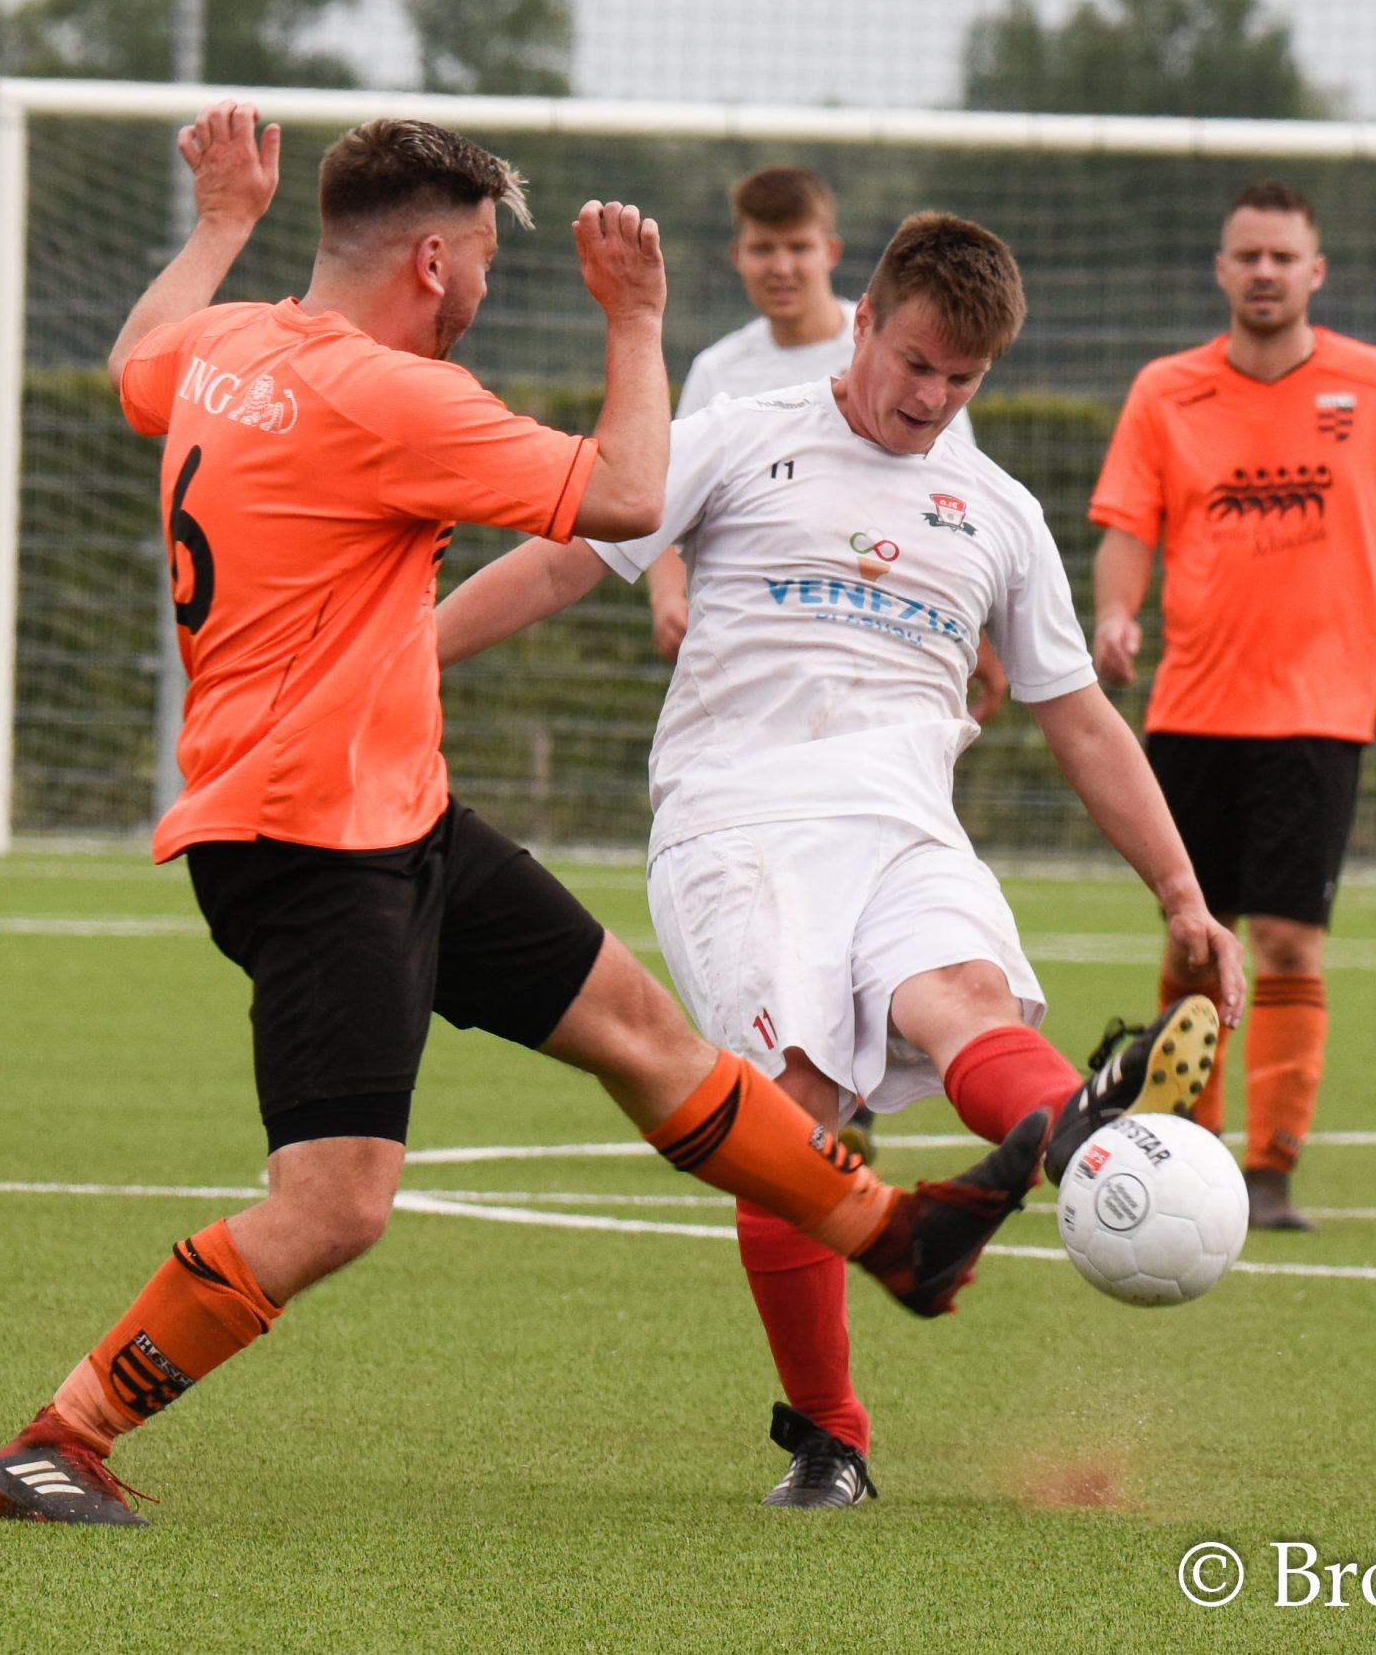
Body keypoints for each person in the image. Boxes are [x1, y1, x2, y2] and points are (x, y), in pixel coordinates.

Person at [0, 106, 1052, 1526]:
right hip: (312, 841)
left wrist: (223, 223)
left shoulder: (230, 350)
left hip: (392, 813)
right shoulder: (389, 398)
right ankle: (62, 1433)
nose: (484, 284)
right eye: (483, 257)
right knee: (337, 1203)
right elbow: (626, 495)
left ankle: (895, 1238)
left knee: (643, 1035)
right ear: (433, 259)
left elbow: (135, 361)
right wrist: (636, 317)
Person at [439, 211, 1245, 1509]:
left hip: (905, 826)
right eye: (914, 363)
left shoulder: (996, 510)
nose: (930, 398)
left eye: (961, 381)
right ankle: (831, 1435)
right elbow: (555, 569)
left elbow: (1081, 717)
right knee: (793, 1110)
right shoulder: (734, 435)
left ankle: (1078, 1136)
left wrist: (1183, 893)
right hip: (737, 825)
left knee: (966, 999)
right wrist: (396, 662)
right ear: (862, 322)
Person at [1086, 179, 1376, 1233]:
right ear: (1220, 269)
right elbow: (1128, 525)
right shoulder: (1166, 390)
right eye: (1246, 255)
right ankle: (1186, 1149)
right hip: (1192, 709)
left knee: (1289, 941)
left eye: (1282, 257)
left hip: (1319, 714)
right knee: (1197, 940)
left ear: (1315, 272)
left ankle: (1271, 1168)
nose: (1263, 272)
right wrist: (1115, 615)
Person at [651, 164, 1003, 1164]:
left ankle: (864, 1069)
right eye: (762, 249)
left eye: (797, 247)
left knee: (882, 861)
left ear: (832, 258)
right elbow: (657, 496)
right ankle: (823, 1089)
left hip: (880, 676)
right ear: (737, 256)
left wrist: (980, 635)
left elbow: (954, 508)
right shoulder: (722, 373)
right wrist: (669, 589)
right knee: (779, 890)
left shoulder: (917, 349)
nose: (780, 265)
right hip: (761, 677)